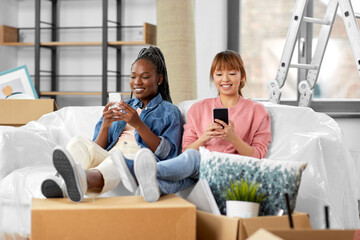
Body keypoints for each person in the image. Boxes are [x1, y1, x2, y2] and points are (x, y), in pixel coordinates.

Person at [112, 50, 272, 202]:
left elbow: (258, 156)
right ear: (212, 78)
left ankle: (135, 169)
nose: (225, 79)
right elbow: (185, 151)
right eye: (219, 74)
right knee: (182, 177)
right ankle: (153, 188)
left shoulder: (257, 111)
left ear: (242, 76)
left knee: (195, 158)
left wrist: (233, 139)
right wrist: (204, 138)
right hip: (201, 168)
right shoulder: (198, 109)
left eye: (232, 73)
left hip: (233, 169)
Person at [41, 46, 183, 202]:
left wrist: (138, 124)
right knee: (78, 142)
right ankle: (59, 181)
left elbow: (167, 154)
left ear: (159, 79)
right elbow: (97, 149)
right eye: (133, 76)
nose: (137, 82)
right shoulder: (122, 105)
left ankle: (82, 180)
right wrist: (105, 126)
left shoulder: (169, 111)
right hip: (110, 154)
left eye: (145, 77)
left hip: (137, 158)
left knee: (117, 159)